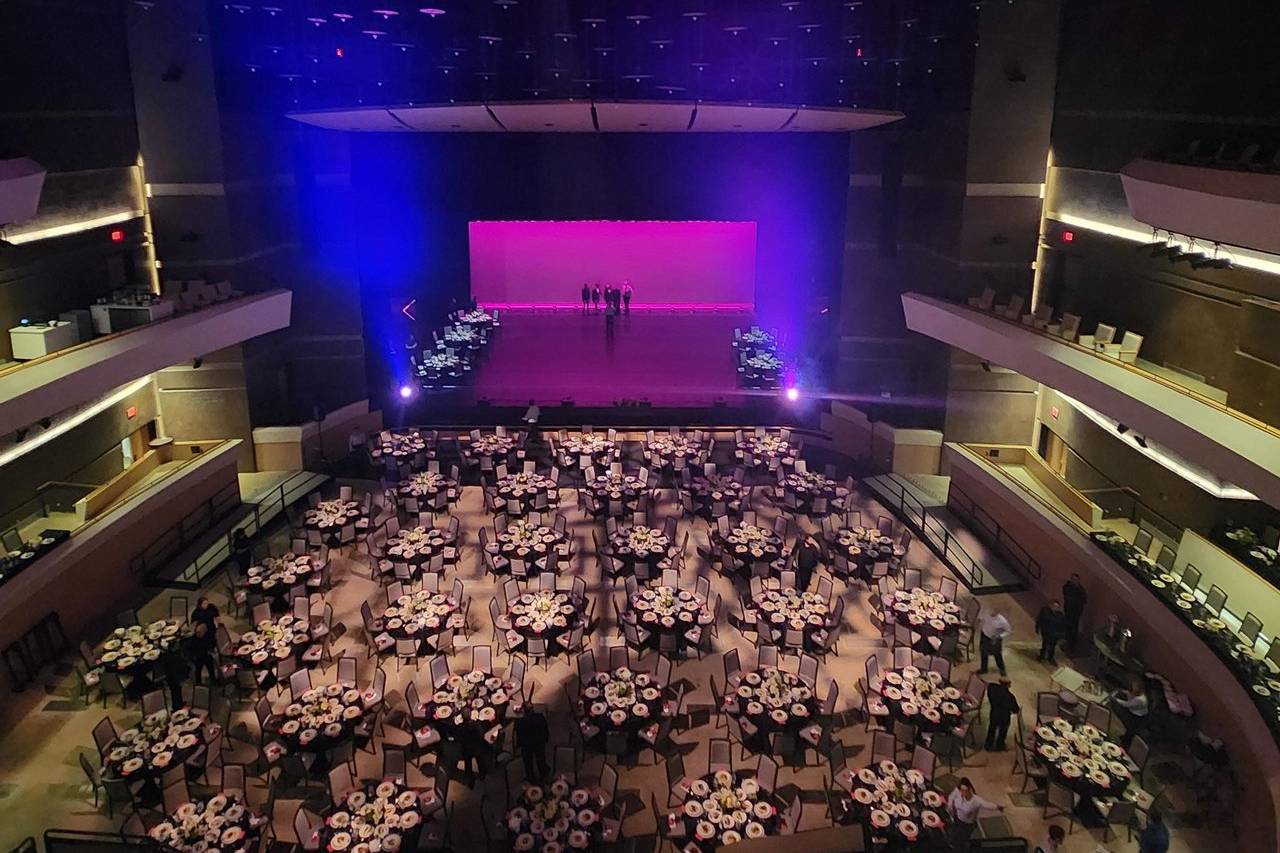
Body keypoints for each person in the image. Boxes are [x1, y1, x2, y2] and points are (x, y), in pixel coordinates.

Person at [946, 777, 1004, 846]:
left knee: (961, 840)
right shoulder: (958, 791)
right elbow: (951, 796)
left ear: (969, 788)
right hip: (957, 818)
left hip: (967, 825)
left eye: (965, 790)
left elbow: (987, 805)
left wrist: (998, 807)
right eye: (962, 790)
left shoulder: (976, 800)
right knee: (954, 833)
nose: (963, 793)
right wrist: (950, 806)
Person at [514, 706, 550, 783]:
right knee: (540, 758)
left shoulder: (520, 721)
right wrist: (546, 738)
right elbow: (545, 728)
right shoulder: (540, 717)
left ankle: (530, 777)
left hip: (527, 745)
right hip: (539, 742)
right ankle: (543, 772)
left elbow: (519, 734)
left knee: (528, 762)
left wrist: (519, 745)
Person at [985, 676, 1020, 751]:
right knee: (1002, 732)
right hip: (1004, 717)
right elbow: (1015, 710)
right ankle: (999, 746)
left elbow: (989, 687)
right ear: (1008, 685)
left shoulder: (992, 688)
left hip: (994, 713)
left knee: (992, 729)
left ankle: (988, 745)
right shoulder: (1010, 697)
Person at [1112, 680, 1151, 744]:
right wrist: (1123, 692)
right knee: (1128, 728)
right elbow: (1130, 694)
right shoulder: (1137, 694)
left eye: (1134, 687)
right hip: (1133, 712)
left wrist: (1116, 699)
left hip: (1138, 716)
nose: (1133, 688)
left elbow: (1127, 704)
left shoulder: (1140, 699)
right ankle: (1124, 738)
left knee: (1131, 729)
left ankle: (1125, 743)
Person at [977, 609, 1011, 676]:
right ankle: (984, 669)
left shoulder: (1002, 621)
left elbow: (1008, 631)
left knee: (997, 655)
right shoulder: (986, 614)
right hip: (984, 636)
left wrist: (1000, 636)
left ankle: (1002, 669)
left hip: (994, 639)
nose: (991, 612)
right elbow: (982, 619)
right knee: (983, 653)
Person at [187, 621, 218, 686]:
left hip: (206, 655)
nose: (199, 634)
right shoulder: (192, 640)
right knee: (198, 671)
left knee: (210, 667)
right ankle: (198, 683)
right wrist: (193, 658)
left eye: (201, 632)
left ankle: (213, 680)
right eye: (198, 632)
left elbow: (211, 644)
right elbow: (190, 651)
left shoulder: (206, 636)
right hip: (198, 657)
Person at [1061, 573, 1087, 652]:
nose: (1075, 581)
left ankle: (1072, 643)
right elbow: (1065, 592)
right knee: (1067, 625)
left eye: (1076, 580)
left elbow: (1084, 600)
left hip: (1075, 613)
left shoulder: (1081, 590)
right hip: (1068, 610)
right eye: (1073, 579)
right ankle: (1066, 639)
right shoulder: (1067, 587)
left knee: (1074, 627)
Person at [1035, 600, 1066, 665]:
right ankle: (1042, 656)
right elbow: (1039, 619)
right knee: (1045, 644)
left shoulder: (1060, 615)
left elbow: (1062, 625)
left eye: (1057, 607)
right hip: (1046, 632)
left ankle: (1050, 658)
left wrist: (1061, 635)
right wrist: (1037, 628)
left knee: (1052, 646)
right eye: (1054, 606)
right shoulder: (1044, 611)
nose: (1055, 608)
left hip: (1054, 634)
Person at [160, 645, 190, 710]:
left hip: (171, 677)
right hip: (174, 678)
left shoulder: (167, 656)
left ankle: (178, 705)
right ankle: (177, 707)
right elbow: (175, 669)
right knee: (175, 692)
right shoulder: (173, 657)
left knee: (176, 691)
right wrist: (179, 679)